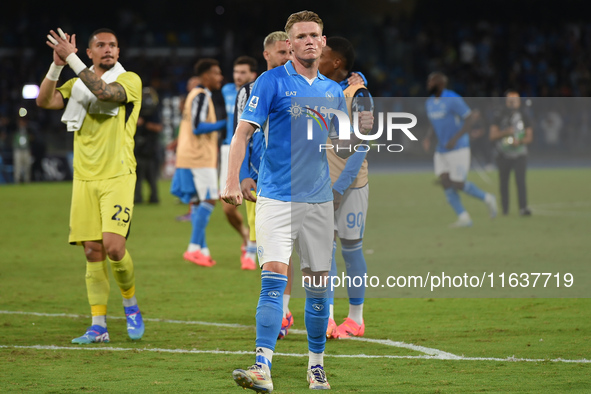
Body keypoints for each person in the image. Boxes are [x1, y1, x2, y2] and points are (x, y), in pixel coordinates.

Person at [223, 11, 373, 392]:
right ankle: (262, 366)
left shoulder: (332, 91)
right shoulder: (270, 82)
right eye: (301, 36)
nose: (309, 41)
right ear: (289, 43)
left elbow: (345, 141)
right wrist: (232, 179)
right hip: (276, 198)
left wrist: (363, 103)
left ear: (323, 43)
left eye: (314, 35)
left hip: (319, 202)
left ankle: (317, 366)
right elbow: (242, 134)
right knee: (273, 281)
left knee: (320, 286)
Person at [36, 27, 145, 343]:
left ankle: (130, 304)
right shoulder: (75, 84)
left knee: (114, 247)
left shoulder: (130, 81)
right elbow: (44, 101)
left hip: (118, 175)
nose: (108, 49)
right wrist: (57, 64)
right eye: (101, 45)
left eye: (113, 45)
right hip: (84, 177)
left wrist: (70, 58)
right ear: (90, 52)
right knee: (92, 251)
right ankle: (99, 326)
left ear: (119, 52)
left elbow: (104, 93)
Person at [318, 36, 373, 339]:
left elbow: (362, 146)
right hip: (319, 186)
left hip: (351, 186)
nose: (317, 58)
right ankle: (326, 318)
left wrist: (340, 189)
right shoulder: (322, 89)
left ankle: (355, 318)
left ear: (337, 61)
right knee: (323, 251)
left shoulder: (359, 93)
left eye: (323, 54)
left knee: (351, 251)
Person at [423, 72, 498, 227]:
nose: (428, 85)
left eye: (432, 82)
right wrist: (428, 137)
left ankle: (488, 198)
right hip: (441, 149)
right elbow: (433, 121)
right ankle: (464, 217)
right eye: (428, 82)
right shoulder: (429, 102)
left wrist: (455, 139)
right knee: (445, 180)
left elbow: (469, 118)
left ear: (441, 84)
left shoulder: (453, 99)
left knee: (457, 183)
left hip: (458, 148)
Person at [171, 58, 225, 267]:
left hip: (188, 155)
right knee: (210, 199)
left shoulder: (195, 95)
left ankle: (203, 250)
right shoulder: (201, 95)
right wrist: (226, 123)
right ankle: (193, 248)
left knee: (197, 202)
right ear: (206, 76)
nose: (220, 77)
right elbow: (198, 127)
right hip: (199, 158)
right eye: (216, 73)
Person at [220, 56, 258, 270]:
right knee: (228, 207)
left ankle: (251, 248)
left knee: (253, 206)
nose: (238, 76)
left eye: (243, 72)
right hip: (228, 148)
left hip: (250, 150)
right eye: (236, 72)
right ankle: (248, 238)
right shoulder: (227, 91)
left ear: (253, 74)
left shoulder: (258, 91)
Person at [489, 90, 533, 216]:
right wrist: (506, 132)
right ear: (506, 102)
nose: (513, 104)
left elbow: (529, 137)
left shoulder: (524, 116)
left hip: (520, 154)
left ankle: (523, 208)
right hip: (503, 154)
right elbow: (492, 135)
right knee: (504, 182)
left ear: (519, 102)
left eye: (515, 101)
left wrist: (519, 142)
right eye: (510, 101)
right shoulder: (499, 115)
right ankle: (505, 210)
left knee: (520, 181)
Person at [134, 86, 163, 204]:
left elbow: (158, 128)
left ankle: (154, 198)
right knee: (137, 177)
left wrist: (144, 124)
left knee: (151, 177)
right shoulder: (137, 110)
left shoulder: (155, 113)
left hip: (151, 150)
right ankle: (137, 198)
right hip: (138, 149)